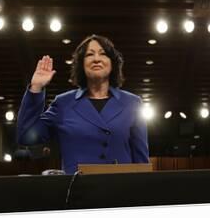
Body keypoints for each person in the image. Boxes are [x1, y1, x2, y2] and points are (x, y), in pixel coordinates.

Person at [16, 34, 149, 174]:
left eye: (103, 54)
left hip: (120, 192)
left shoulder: (132, 103)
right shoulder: (63, 103)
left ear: (112, 63)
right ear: (81, 64)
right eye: (89, 55)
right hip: (77, 192)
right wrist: (36, 87)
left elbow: (141, 162)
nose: (96, 59)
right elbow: (25, 136)